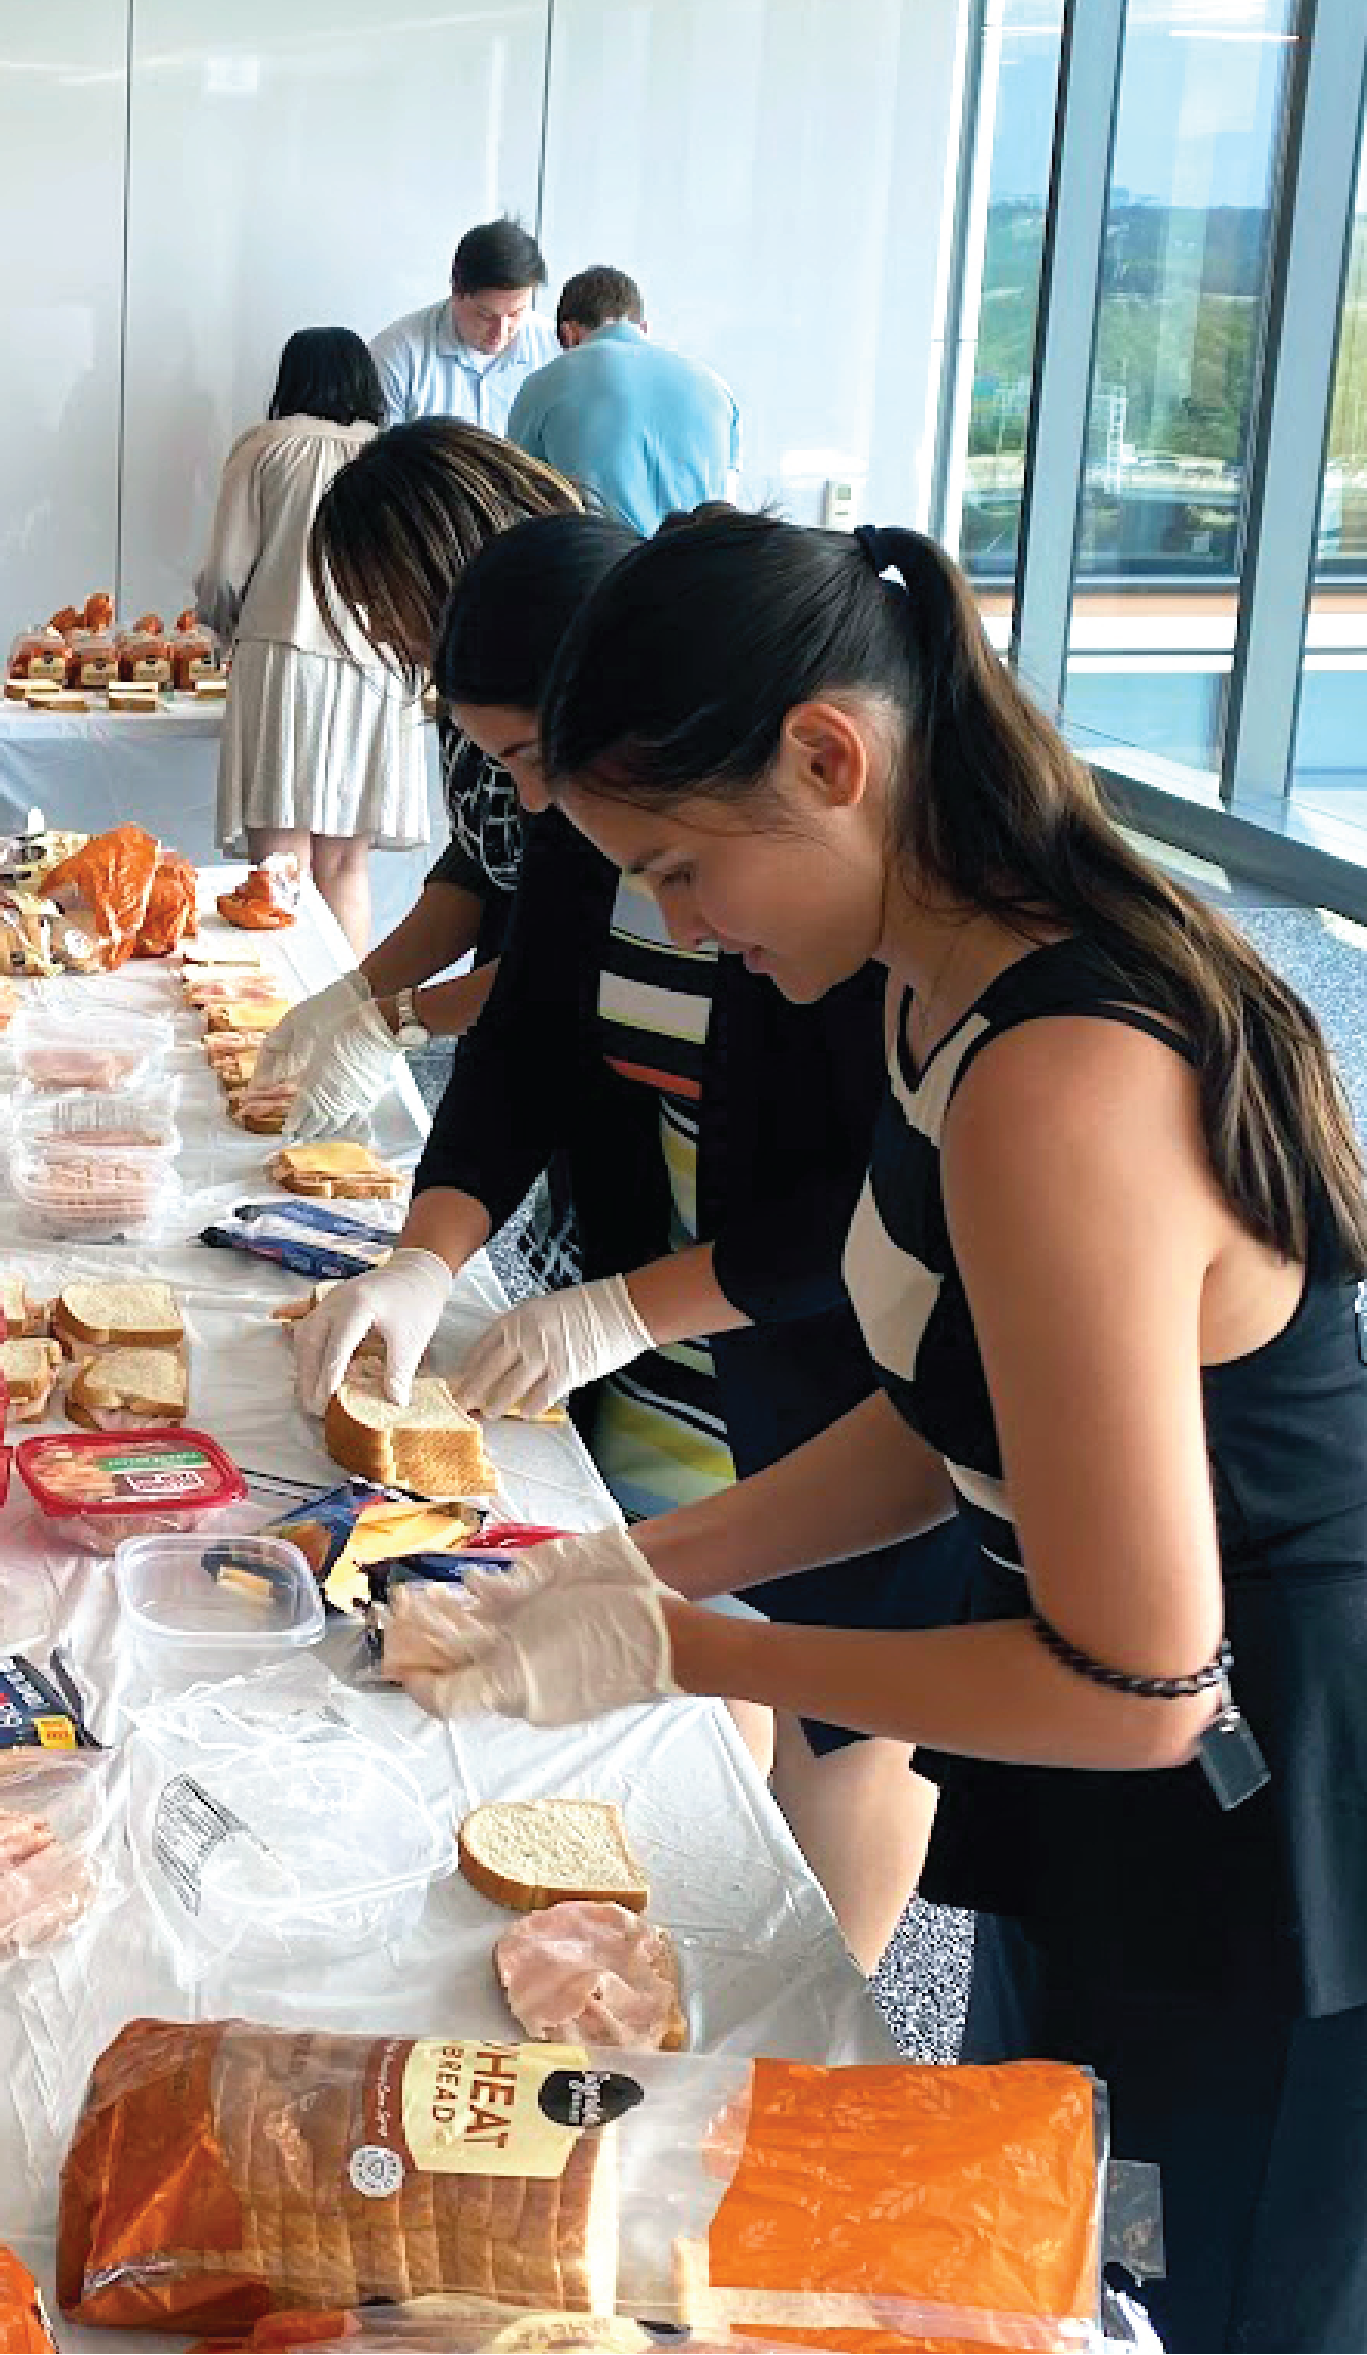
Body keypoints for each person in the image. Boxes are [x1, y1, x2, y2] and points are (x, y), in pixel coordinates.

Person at [385, 509, 1367, 2353]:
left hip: (1268, 1826)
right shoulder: (923, 989)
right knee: (1038, 2227)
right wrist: (629, 1556)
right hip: (1126, 1814)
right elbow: (943, 1420)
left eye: (678, 868)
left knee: (1190, 2291)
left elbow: (1135, 1691)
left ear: (829, 759)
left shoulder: (1064, 1073)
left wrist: (688, 1647)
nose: (676, 926)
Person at [295, 512, 961, 1971]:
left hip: (806, 1339)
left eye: (538, 761)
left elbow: (877, 1201)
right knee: (693, 1641)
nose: (532, 805)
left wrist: (633, 1311)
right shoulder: (618, 828)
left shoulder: (927, 956)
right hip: (666, 1319)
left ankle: (813, 2003)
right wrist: (425, 1251)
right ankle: (709, 1946)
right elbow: (525, 1047)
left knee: (841, 1713)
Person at [252, 421, 585, 1165]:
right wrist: (358, 992)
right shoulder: (467, 676)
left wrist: (397, 1019)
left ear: (440, 565)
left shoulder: (569, 681)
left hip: (586, 1019)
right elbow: (477, 863)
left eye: (378, 599)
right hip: (516, 995)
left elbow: (586, 944)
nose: (373, 627)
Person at [194, 327, 429, 947]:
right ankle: (345, 1028)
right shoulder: (394, 454)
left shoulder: (264, 446)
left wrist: (224, 630)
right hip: (378, 662)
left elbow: (223, 574)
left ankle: (278, 1030)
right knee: (348, 867)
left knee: (278, 869)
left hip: (280, 656)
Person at [505, 267, 740, 532]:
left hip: (596, 565)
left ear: (569, 333)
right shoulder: (716, 387)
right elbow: (727, 500)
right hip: (695, 562)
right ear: (644, 329)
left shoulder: (544, 383)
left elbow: (514, 496)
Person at [368, 219, 562, 433]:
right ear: (456, 292)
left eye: (516, 313)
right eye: (486, 315)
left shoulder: (556, 350)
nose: (501, 331)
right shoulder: (396, 355)